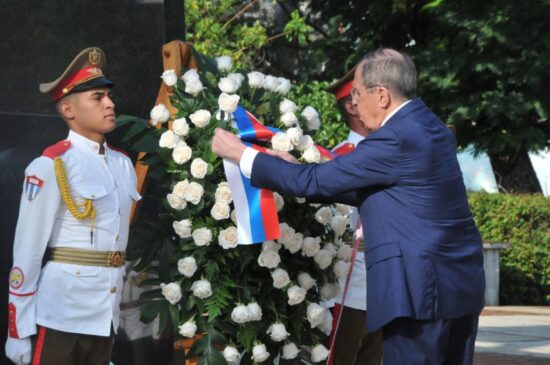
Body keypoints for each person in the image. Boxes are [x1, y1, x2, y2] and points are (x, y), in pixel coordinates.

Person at [211, 48, 485, 365]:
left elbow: (311, 183)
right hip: (456, 286)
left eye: (356, 94)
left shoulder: (395, 137)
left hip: (420, 290)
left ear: (381, 95)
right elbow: (382, 191)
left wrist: (240, 153)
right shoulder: (429, 125)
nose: (352, 104)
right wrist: (288, 164)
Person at [5, 47, 141, 365]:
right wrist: (18, 329)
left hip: (105, 313)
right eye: (97, 97)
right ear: (68, 109)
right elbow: (27, 251)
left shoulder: (123, 165)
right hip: (61, 314)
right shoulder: (51, 165)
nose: (110, 104)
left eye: (109, 96)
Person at [327, 68, 383, 365]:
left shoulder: (389, 152)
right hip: (352, 289)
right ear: (352, 105)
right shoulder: (342, 157)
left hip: (385, 287)